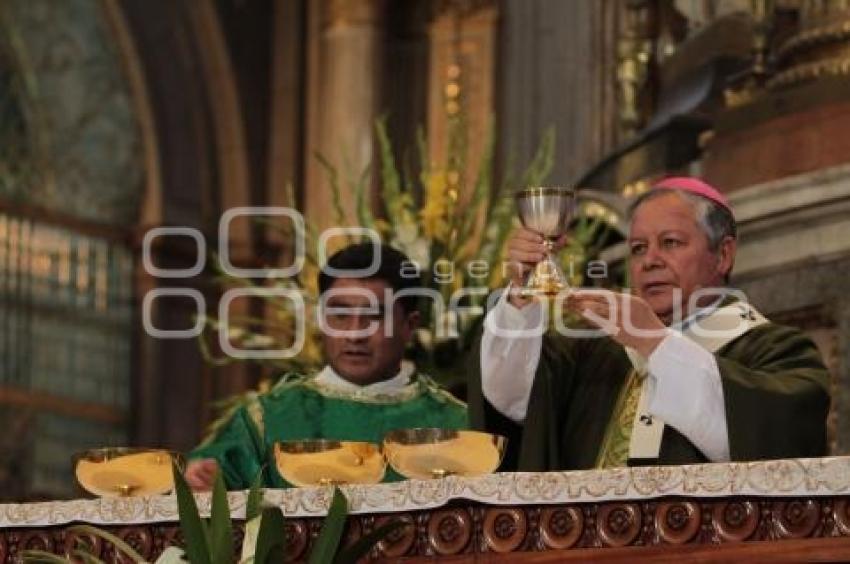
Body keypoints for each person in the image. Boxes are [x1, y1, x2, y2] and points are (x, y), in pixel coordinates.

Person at [470, 177, 830, 471]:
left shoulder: (778, 352)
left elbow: (776, 454)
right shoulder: (595, 354)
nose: (649, 261)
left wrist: (656, 344)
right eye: (639, 248)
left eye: (670, 243)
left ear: (723, 254)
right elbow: (511, 397)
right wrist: (522, 291)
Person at [186, 242, 467, 490]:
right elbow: (206, 486)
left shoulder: (454, 425)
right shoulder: (270, 418)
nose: (354, 333)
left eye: (373, 316)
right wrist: (201, 481)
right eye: (340, 315)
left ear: (410, 325)